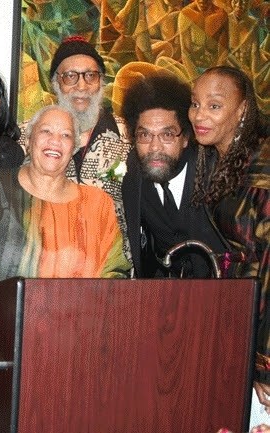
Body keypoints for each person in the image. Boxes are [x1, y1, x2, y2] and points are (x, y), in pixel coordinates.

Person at [0, 105, 131, 289]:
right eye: (46, 131)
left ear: (74, 148)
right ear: (29, 141)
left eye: (66, 135)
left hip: (78, 316)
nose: (55, 141)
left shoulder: (98, 204)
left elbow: (115, 274)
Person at [187, 66, 269, 422]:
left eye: (214, 106)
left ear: (242, 110)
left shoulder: (262, 166)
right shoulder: (225, 158)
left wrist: (263, 361)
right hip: (244, 320)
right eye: (194, 104)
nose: (199, 115)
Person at [121, 71, 227, 277]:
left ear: (186, 137)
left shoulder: (215, 174)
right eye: (144, 135)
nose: (154, 147)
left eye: (167, 135)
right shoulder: (135, 180)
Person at [46, 36, 132, 257]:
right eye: (70, 77)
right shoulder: (30, 137)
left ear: (101, 82)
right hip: (49, 265)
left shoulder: (128, 135)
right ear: (55, 83)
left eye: (90, 76)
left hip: (113, 267)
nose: (81, 86)